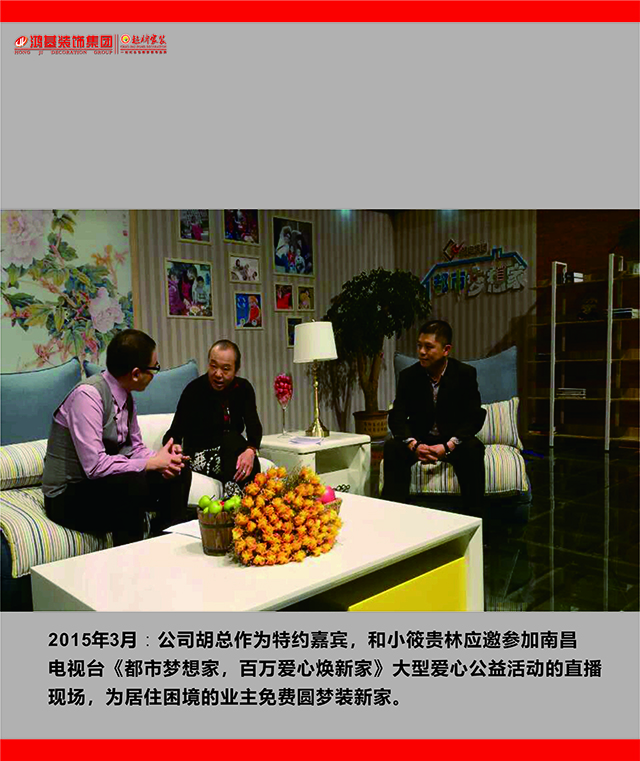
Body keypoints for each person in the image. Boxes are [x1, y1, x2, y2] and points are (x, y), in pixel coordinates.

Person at [42, 329, 191, 546]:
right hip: (68, 494)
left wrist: (163, 459)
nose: (155, 374)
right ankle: (130, 556)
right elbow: (95, 467)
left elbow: (135, 448)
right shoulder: (88, 396)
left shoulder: (126, 396)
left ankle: (165, 543)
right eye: (154, 368)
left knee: (180, 471)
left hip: (106, 485)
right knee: (132, 483)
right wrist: (150, 464)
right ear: (136, 373)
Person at [382, 320, 486, 516]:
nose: (421, 352)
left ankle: (474, 521)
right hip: (420, 440)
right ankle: (393, 518)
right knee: (392, 448)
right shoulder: (409, 376)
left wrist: (448, 446)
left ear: (446, 350)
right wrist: (414, 445)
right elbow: (397, 416)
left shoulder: (464, 374)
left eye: (428, 347)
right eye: (419, 346)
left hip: (451, 440)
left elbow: (474, 417)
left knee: (474, 448)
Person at [163, 340, 263, 499]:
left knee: (248, 458)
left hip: (231, 451)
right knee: (232, 440)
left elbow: (254, 426)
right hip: (200, 456)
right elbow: (173, 433)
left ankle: (245, 506)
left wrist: (250, 451)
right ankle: (235, 503)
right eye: (213, 366)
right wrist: (174, 446)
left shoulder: (243, 389)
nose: (218, 374)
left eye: (225, 369)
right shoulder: (194, 390)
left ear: (236, 370)